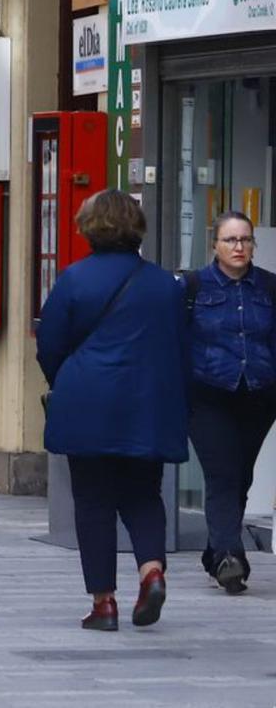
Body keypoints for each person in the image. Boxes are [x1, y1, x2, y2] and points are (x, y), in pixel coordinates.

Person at [36, 190, 188, 633]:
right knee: (143, 494)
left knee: (94, 500)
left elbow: (50, 345)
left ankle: (104, 604)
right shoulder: (164, 284)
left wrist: (64, 381)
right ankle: (152, 571)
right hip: (148, 404)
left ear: (88, 227)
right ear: (135, 226)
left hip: (87, 402)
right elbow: (182, 349)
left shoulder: (73, 280)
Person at [182, 208, 276, 594]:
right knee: (222, 474)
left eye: (245, 240)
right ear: (214, 245)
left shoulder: (269, 287)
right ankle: (229, 559)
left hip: (258, 393)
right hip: (208, 394)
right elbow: (177, 340)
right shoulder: (193, 287)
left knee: (242, 476)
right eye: (230, 240)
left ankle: (214, 550)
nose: (239, 247)